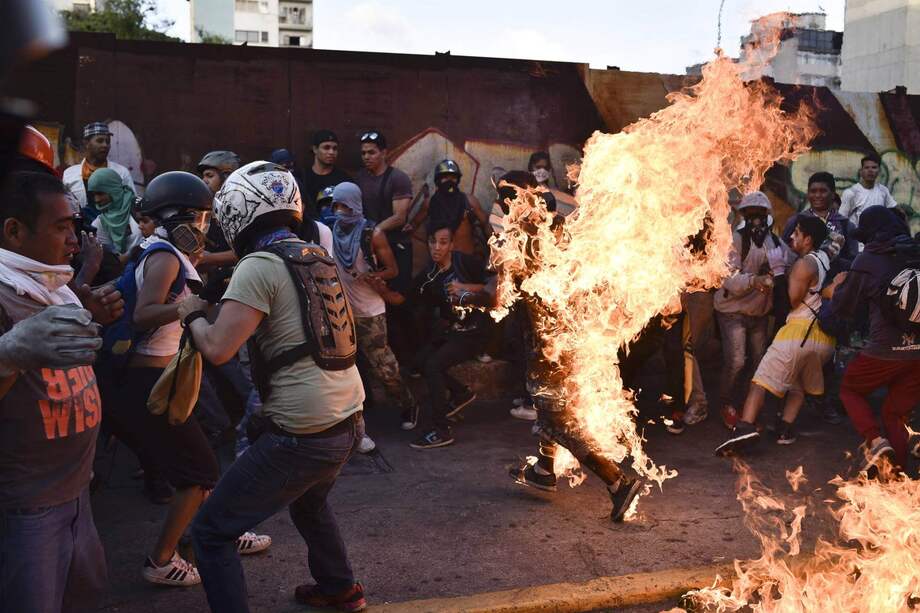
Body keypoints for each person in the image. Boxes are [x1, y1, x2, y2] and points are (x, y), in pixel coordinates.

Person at [181, 161, 367, 613]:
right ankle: (340, 588)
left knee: (211, 531)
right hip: (349, 417)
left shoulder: (259, 265)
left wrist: (191, 314)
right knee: (309, 503)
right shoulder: (313, 254)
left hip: (304, 432)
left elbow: (218, 348)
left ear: (238, 213)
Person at [106, 171, 269, 587]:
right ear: (174, 217)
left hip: (166, 374)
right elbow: (144, 313)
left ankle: (217, 530)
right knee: (199, 473)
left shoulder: (168, 252)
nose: (202, 226)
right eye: (197, 217)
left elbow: (201, 267)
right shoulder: (164, 256)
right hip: (147, 381)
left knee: (206, 450)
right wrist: (192, 308)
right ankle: (161, 559)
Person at [497, 171, 643, 522]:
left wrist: (462, 294)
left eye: (507, 195)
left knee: (559, 421)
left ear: (522, 196)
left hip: (549, 345)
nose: (503, 203)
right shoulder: (558, 228)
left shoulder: (523, 237)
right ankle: (544, 471)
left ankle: (617, 481)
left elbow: (499, 296)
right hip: (566, 337)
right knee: (550, 410)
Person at [0, 171, 114, 613]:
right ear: (14, 231)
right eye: (61, 227)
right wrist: (10, 352)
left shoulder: (54, 288)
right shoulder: (5, 295)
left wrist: (92, 315)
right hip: (27, 507)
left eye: (74, 226)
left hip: (76, 491)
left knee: (82, 597)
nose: (74, 240)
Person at [715, 215, 836, 455]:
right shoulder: (823, 259)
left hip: (798, 334)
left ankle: (744, 427)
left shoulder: (804, 264)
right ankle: (784, 429)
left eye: (797, 233)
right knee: (797, 384)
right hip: (822, 339)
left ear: (808, 239)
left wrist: (780, 274)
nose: (791, 237)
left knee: (760, 381)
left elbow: (788, 303)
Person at [371, 222, 492, 449]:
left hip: (474, 332)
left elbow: (494, 288)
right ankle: (460, 393)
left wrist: (464, 288)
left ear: (452, 244)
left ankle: (441, 429)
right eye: (432, 242)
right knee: (419, 363)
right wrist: (381, 290)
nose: (437, 247)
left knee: (433, 365)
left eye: (443, 242)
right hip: (452, 332)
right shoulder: (429, 275)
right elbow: (403, 300)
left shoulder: (464, 262)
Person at [829, 206, 920, 473]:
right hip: (918, 353)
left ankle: (876, 440)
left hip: (883, 350)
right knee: (894, 412)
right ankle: (898, 474)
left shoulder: (868, 259)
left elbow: (843, 307)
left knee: (849, 389)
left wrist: (836, 287)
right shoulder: (914, 252)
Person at [330, 182, 420, 437]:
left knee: (383, 366)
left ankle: (408, 404)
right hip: (342, 310)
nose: (340, 211)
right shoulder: (332, 231)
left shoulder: (372, 234)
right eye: (336, 206)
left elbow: (393, 270)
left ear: (356, 205)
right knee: (345, 367)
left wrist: (373, 277)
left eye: (345, 206)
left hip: (370, 310)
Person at [781, 171, 857, 425]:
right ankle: (788, 401)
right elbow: (786, 254)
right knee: (797, 348)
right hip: (804, 296)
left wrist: (832, 267)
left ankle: (825, 401)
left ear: (833, 194)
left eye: (823, 191)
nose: (817, 195)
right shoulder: (797, 221)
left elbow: (853, 259)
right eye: (813, 191)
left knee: (830, 352)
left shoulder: (844, 224)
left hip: (833, 297)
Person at [713, 192, 786, 429]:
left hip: (758, 313)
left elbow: (790, 262)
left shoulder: (774, 242)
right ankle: (726, 403)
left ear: (767, 214)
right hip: (732, 311)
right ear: (743, 215)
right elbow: (727, 279)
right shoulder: (735, 240)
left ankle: (748, 406)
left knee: (759, 362)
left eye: (760, 212)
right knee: (736, 361)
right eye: (750, 213)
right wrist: (754, 280)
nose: (756, 218)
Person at [355, 130, 416, 363]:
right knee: (376, 301)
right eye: (363, 153)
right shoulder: (360, 179)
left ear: (384, 153)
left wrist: (376, 231)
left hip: (397, 247)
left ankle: (409, 360)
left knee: (399, 302)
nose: (366, 157)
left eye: (371, 152)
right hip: (371, 251)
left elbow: (400, 217)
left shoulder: (397, 178)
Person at [405, 159, 492, 256]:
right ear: (438, 180)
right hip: (441, 260)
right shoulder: (430, 203)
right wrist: (405, 230)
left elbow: (486, 224)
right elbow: (414, 223)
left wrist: (495, 246)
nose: (449, 181)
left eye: (453, 178)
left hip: (465, 260)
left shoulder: (469, 201)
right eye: (445, 178)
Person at [62, 122, 135, 221]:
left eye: (108, 141)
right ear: (86, 143)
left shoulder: (121, 173)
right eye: (100, 141)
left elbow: (132, 205)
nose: (105, 145)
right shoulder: (69, 174)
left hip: (114, 227)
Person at [86, 167, 144, 258]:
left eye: (100, 193)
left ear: (113, 189)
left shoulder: (140, 207)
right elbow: (113, 262)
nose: (97, 200)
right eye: (93, 195)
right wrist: (134, 252)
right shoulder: (99, 224)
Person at [303, 130, 351, 221]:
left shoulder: (344, 179)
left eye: (335, 148)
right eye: (326, 148)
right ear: (315, 149)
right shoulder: (303, 176)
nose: (331, 152)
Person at [839, 154, 898, 226]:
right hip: (858, 232)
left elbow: (895, 209)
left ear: (879, 171)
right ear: (861, 171)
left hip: (878, 232)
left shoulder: (883, 190)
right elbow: (841, 219)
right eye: (866, 167)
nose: (870, 170)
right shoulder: (850, 193)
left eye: (874, 167)